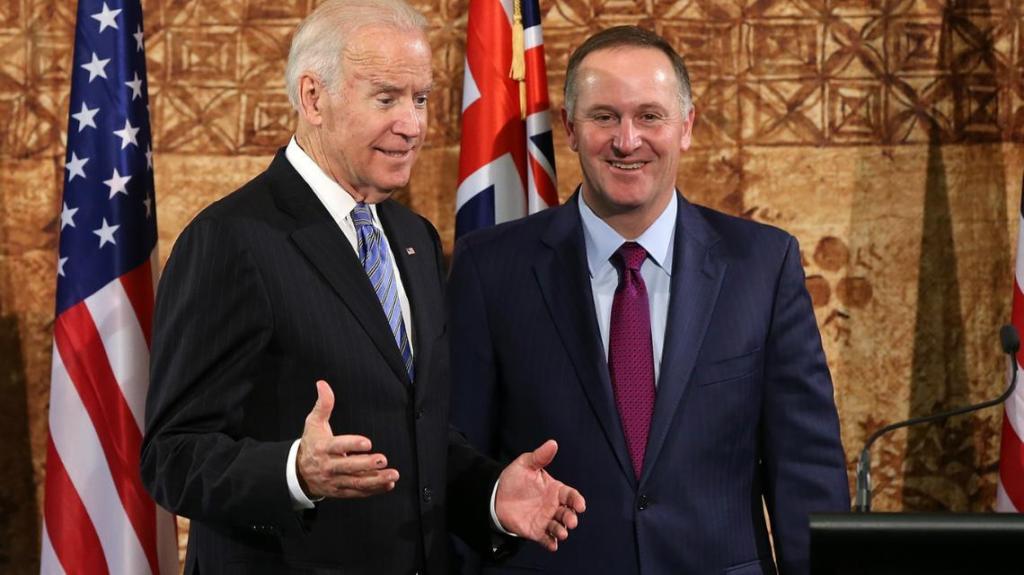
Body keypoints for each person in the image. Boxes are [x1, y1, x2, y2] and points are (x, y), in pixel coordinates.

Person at [140, 1, 585, 573]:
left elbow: (416, 431)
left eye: (420, 98)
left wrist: (492, 494)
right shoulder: (231, 239)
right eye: (386, 98)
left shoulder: (414, 238)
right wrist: (295, 473)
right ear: (313, 98)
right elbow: (172, 455)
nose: (413, 124)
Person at [448, 26, 849, 575]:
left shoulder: (762, 264)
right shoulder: (489, 267)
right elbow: (457, 455)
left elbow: (806, 469)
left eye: (650, 116)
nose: (627, 140)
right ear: (570, 128)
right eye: (604, 117)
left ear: (686, 127)